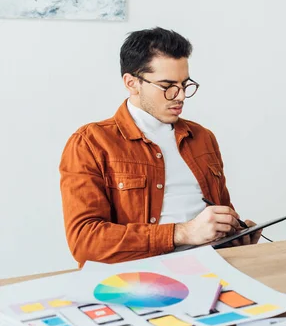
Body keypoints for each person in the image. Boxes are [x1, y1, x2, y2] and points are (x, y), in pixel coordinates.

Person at [59, 27, 260, 267]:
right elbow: (85, 242)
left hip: (215, 266)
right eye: (168, 86)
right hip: (141, 277)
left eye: (185, 85)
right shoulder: (91, 143)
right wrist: (182, 233)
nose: (181, 96)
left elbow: (221, 215)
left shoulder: (203, 138)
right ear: (132, 83)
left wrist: (235, 235)